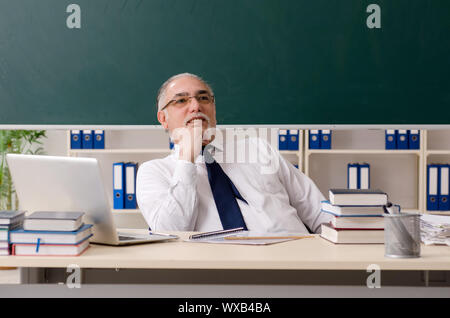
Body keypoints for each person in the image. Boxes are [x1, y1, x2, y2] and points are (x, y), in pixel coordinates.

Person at [136, 73, 332, 233]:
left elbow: (319, 212)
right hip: (220, 274)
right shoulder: (153, 171)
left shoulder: (258, 148)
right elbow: (171, 234)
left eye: (203, 98)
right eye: (181, 100)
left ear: (213, 108)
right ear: (163, 118)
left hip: (296, 261)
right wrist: (187, 159)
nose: (196, 106)